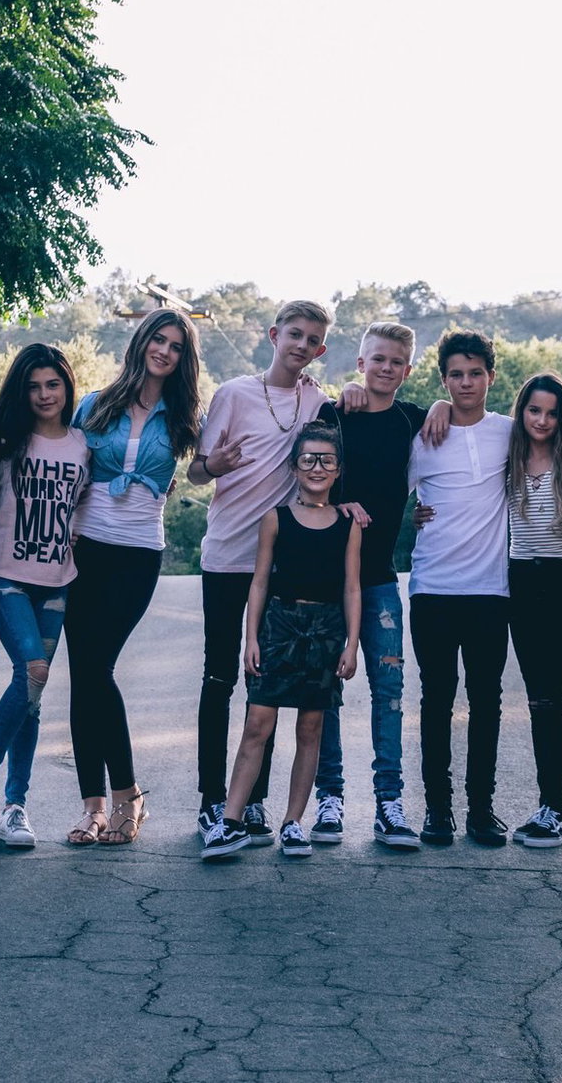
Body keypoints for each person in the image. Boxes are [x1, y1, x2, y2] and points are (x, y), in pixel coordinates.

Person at [188, 300, 333, 845]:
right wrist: (214, 465)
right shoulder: (233, 394)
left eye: (312, 339)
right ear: (275, 335)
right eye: (294, 334)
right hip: (227, 557)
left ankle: (251, 801)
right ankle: (211, 800)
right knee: (218, 679)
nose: (301, 345)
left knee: (265, 685)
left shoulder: (318, 400)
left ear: (320, 349)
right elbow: (196, 471)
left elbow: (331, 456)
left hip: (279, 567)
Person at [62, 309, 203, 846]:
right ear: (142, 341)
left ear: (183, 358)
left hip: (139, 553)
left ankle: (128, 796)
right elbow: (66, 467)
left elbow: (206, 465)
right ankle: (94, 809)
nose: (164, 351)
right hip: (84, 549)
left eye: (176, 346)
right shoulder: (94, 404)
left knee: (98, 669)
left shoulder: (186, 416)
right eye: (158, 340)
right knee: (85, 675)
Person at [202, 422, 361, 860]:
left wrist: (351, 644)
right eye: (308, 459)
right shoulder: (276, 518)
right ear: (294, 467)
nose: (316, 467)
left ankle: (293, 822)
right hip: (279, 627)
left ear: (338, 469)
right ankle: (230, 821)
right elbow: (258, 582)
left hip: (326, 630)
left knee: (310, 728)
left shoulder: (348, 524)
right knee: (257, 723)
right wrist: (250, 638)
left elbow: (352, 587)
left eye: (326, 460)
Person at [0, 344, 90, 848]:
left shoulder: (82, 444)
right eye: (33, 387)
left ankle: (15, 808)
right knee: (32, 671)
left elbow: (84, 504)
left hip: (57, 579)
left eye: (52, 384)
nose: (44, 395)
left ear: (66, 387)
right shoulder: (4, 440)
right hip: (6, 574)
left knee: (32, 701)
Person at [309, 321, 428, 849]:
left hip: (379, 578)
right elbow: (305, 482)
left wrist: (441, 405)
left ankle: (389, 803)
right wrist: (337, 505)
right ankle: (329, 798)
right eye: (377, 359)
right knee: (324, 690)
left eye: (396, 361)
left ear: (408, 370)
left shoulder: (414, 420)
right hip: (325, 578)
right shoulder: (333, 414)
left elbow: (453, 419)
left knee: (390, 691)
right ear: (361, 363)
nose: (386, 368)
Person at [407, 330, 513, 847]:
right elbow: (385, 494)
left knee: (487, 702)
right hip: (432, 588)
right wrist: (410, 516)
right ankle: (437, 810)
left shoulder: (510, 433)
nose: (466, 383)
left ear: (491, 376)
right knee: (436, 701)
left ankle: (481, 810)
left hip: (490, 590)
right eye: (455, 375)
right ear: (443, 380)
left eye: (475, 373)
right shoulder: (423, 437)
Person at [505, 372, 562, 848]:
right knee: (538, 698)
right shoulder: (507, 456)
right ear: (522, 412)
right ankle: (547, 807)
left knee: (553, 697)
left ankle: (556, 811)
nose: (542, 420)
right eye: (534, 410)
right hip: (520, 580)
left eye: (552, 413)